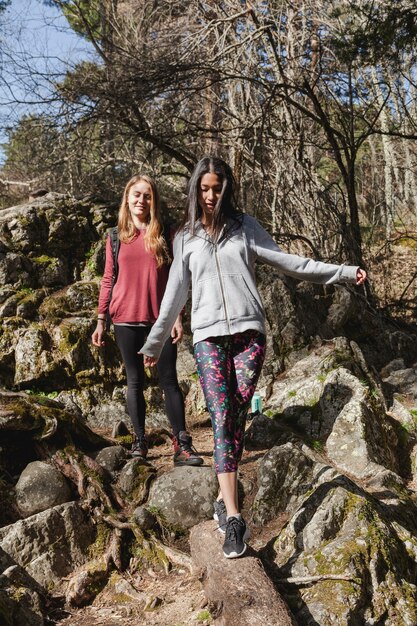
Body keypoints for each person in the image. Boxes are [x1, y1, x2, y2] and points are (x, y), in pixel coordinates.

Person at [140, 157, 367, 559]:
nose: (211, 196)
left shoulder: (245, 227)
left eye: (218, 188)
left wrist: (344, 272)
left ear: (226, 188)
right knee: (222, 418)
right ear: (195, 189)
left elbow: (293, 264)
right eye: (204, 189)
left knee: (237, 415)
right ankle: (233, 518)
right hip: (208, 339)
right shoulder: (184, 238)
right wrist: (154, 344)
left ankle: (222, 501)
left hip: (249, 337)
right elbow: (174, 294)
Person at [91, 174, 203, 467]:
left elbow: (178, 279)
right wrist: (101, 319)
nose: (141, 200)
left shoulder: (166, 232)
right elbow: (108, 278)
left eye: (147, 195)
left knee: (169, 381)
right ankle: (140, 443)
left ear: (154, 200)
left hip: (160, 320)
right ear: (127, 198)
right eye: (136, 195)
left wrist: (177, 316)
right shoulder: (115, 236)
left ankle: (182, 444)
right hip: (124, 318)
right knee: (134, 381)